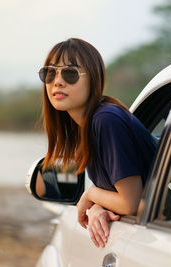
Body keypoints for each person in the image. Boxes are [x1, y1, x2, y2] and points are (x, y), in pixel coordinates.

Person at [36, 38, 157, 248]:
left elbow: (131, 202)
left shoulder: (106, 119)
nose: (57, 81)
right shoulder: (90, 125)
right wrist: (98, 205)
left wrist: (91, 194)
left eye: (70, 73)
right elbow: (117, 191)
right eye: (49, 73)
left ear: (93, 79)